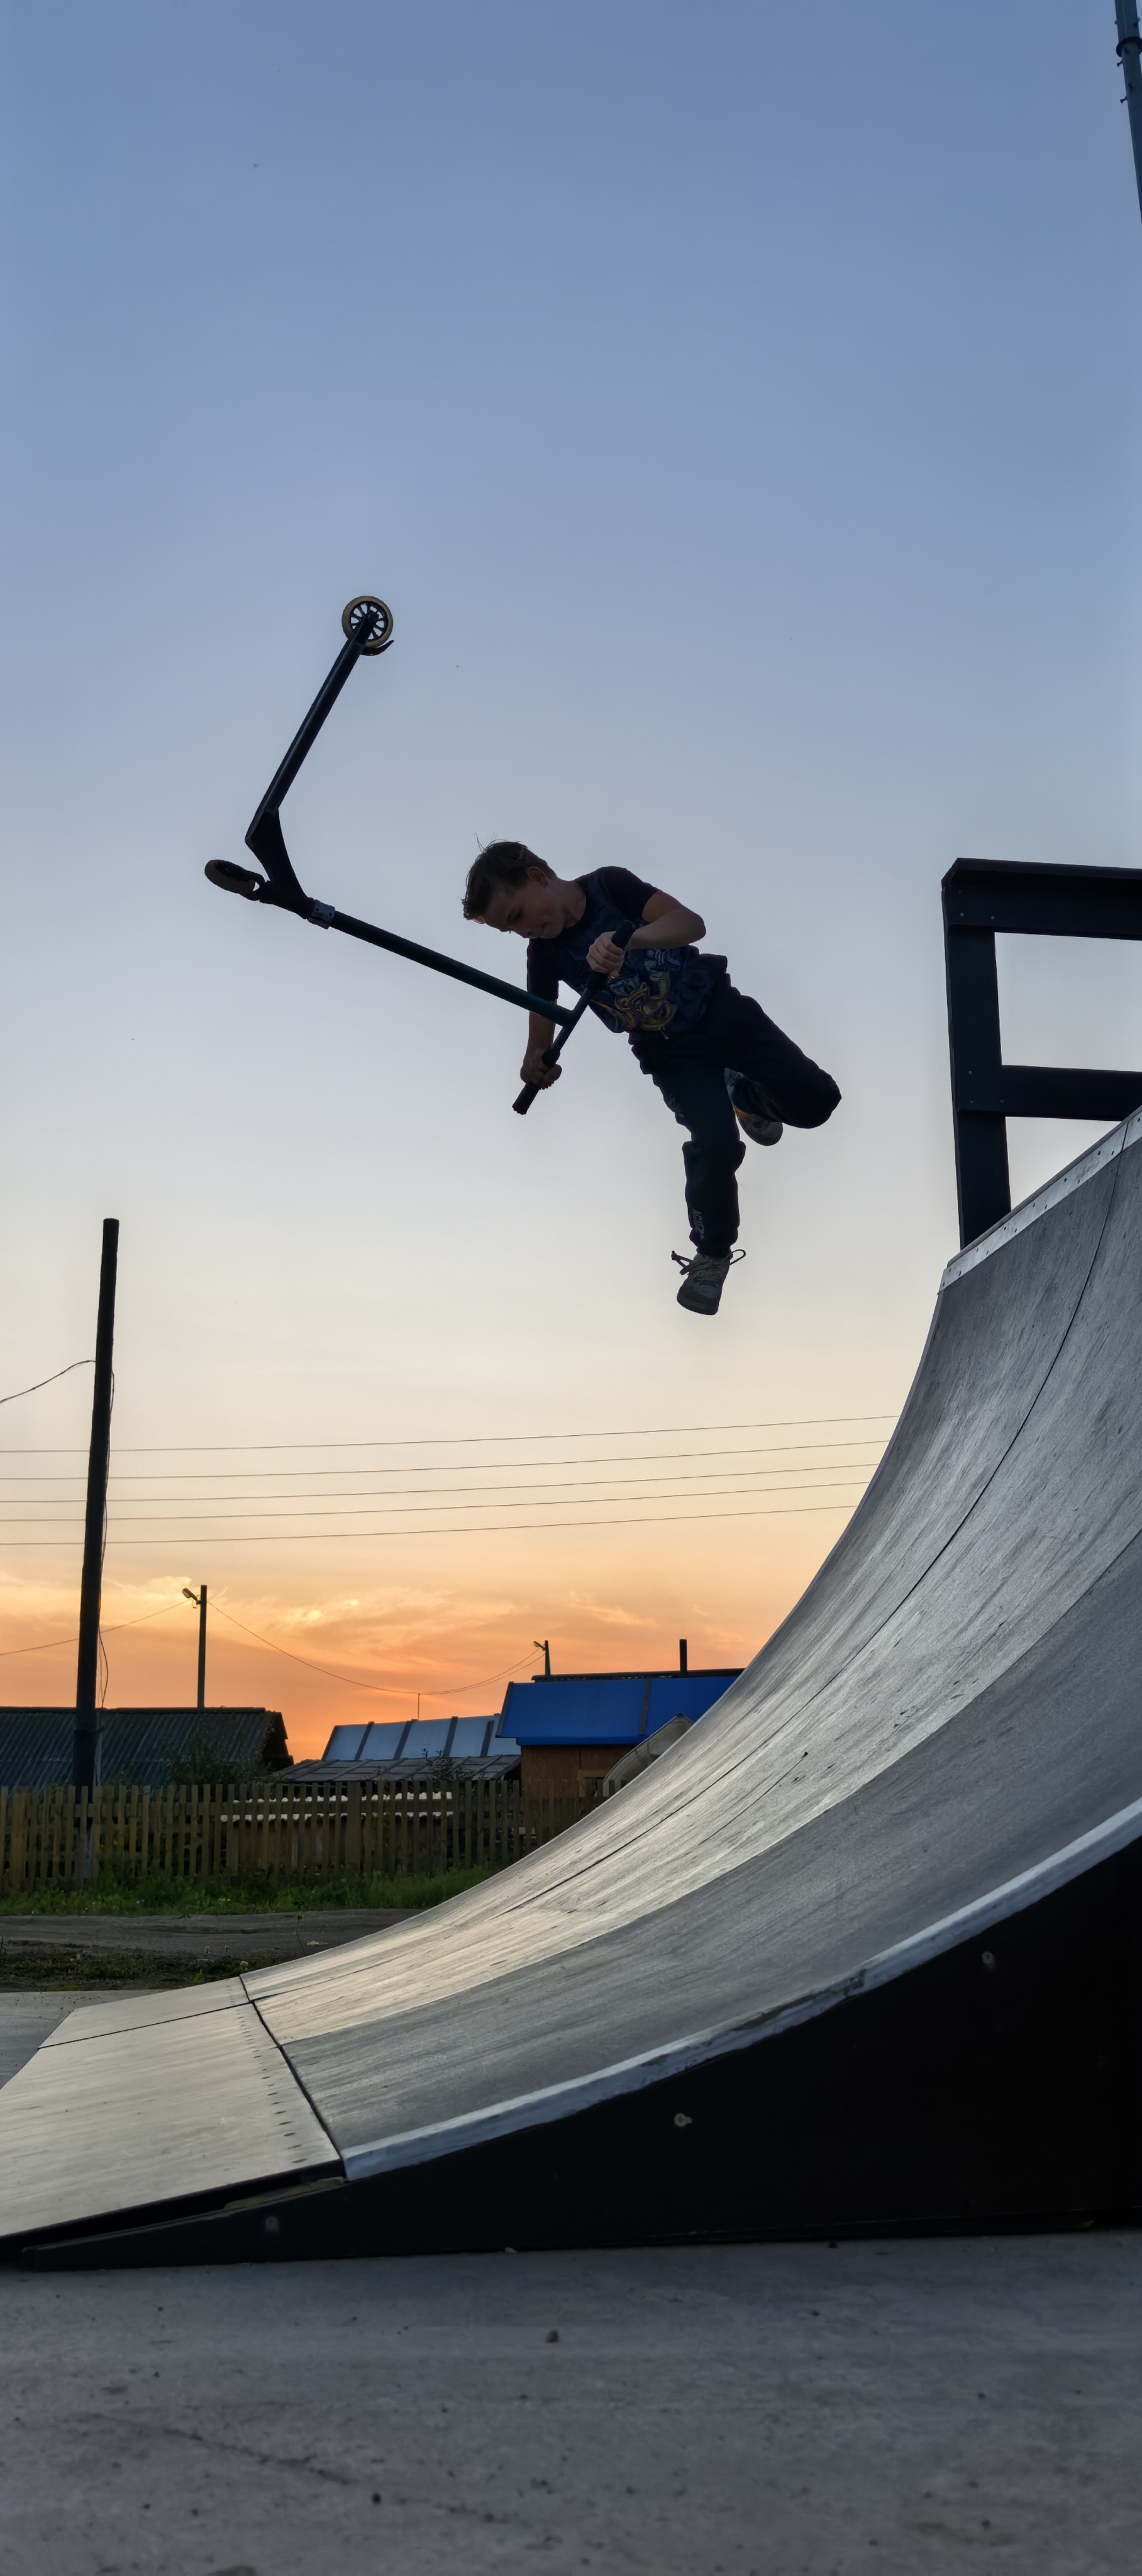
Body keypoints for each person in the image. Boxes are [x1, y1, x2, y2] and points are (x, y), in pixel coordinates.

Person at [463, 842, 840, 1315]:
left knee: (817, 1104)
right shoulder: (544, 954)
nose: (524, 931)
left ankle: (744, 1094)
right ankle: (711, 1255)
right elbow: (539, 1031)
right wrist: (534, 1064)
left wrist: (631, 939)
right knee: (715, 1143)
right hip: (669, 1053)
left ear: (538, 878)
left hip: (720, 1012)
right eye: (510, 929)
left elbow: (690, 923)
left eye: (518, 914)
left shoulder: (609, 886)